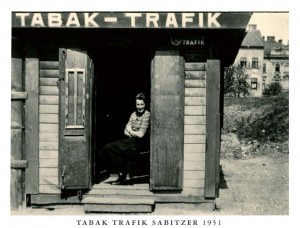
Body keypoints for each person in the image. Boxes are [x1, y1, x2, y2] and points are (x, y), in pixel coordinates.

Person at [99, 93, 150, 185]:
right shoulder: (133, 114)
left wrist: (131, 131)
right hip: (129, 141)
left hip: (138, 144)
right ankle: (123, 173)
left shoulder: (147, 115)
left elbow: (141, 135)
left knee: (115, 150)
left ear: (145, 104)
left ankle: (124, 175)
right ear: (135, 105)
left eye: (142, 104)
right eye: (138, 104)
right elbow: (125, 131)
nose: (140, 107)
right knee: (106, 149)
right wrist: (132, 133)